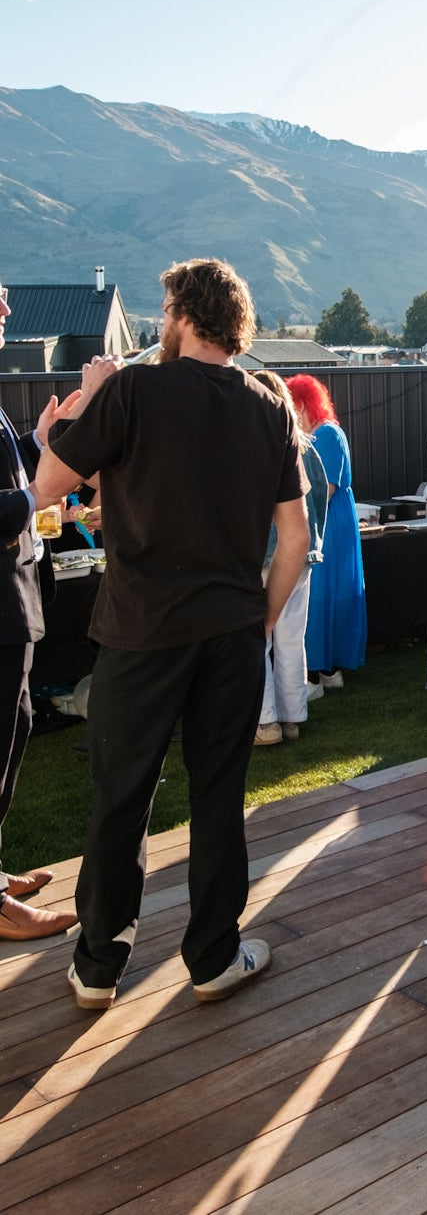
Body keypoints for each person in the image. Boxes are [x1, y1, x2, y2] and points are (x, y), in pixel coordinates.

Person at [34, 257, 308, 1007]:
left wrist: (88, 404)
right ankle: (215, 957)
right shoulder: (269, 402)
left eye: (163, 309)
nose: (159, 322)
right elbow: (295, 536)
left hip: (141, 630)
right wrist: (263, 617)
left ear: (184, 314)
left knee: (122, 795)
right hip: (228, 632)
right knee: (218, 794)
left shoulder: (132, 389)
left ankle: (97, 966)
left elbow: (48, 485)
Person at [0, 270, 115, 941]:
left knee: (10, 739)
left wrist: (36, 444)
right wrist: (38, 493)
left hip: (15, 602)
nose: (10, 304)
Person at [253, 372, 329, 745]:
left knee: (258, 637)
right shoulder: (307, 446)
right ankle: (292, 716)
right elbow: (319, 504)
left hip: (263, 555)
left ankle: (265, 721)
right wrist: (314, 544)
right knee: (290, 639)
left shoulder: (250, 449)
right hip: (301, 556)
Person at [286, 375, 366, 690]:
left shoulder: (326, 435)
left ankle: (317, 672)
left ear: (302, 405)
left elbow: (325, 489)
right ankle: (326, 669)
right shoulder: (320, 435)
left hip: (326, 522)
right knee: (325, 594)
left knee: (320, 595)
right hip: (326, 520)